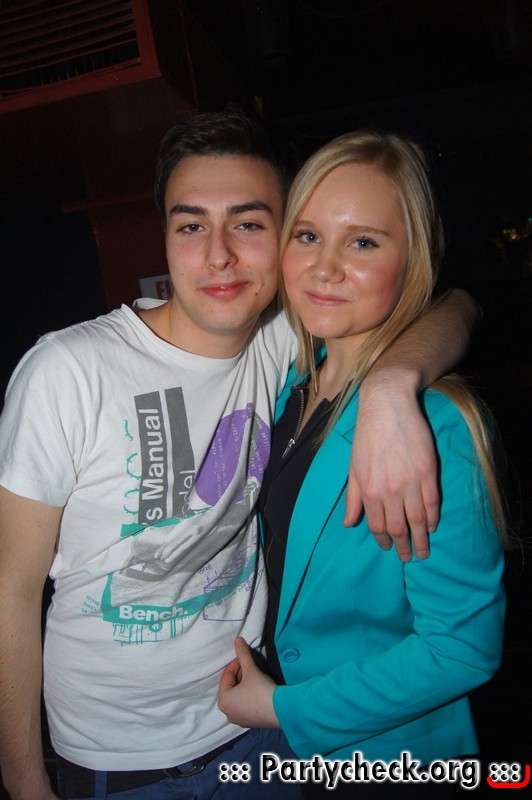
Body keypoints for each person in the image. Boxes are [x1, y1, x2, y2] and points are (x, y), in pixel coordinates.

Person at [0, 110, 476, 800]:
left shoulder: (282, 338)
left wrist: (391, 386)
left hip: (257, 731)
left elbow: (456, 302)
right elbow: (11, 588)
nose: (218, 255)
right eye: (191, 226)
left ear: (284, 239)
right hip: (115, 757)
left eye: (249, 224)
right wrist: (22, 780)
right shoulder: (67, 370)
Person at [218, 130, 508, 798]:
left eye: (364, 243)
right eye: (308, 235)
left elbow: (460, 648)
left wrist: (283, 708)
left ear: (413, 261)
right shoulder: (284, 388)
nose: (325, 269)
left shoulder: (434, 424)